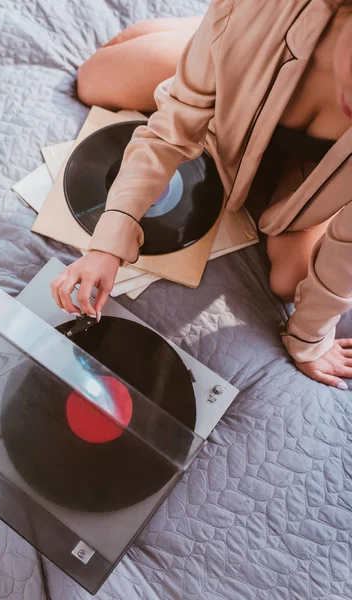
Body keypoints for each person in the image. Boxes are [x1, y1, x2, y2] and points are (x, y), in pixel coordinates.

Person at [51, 0, 352, 389]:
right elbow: (169, 133)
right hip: (233, 80)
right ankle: (205, 35)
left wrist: (310, 341)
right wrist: (107, 244)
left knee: (290, 283)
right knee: (93, 79)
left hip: (312, 171)